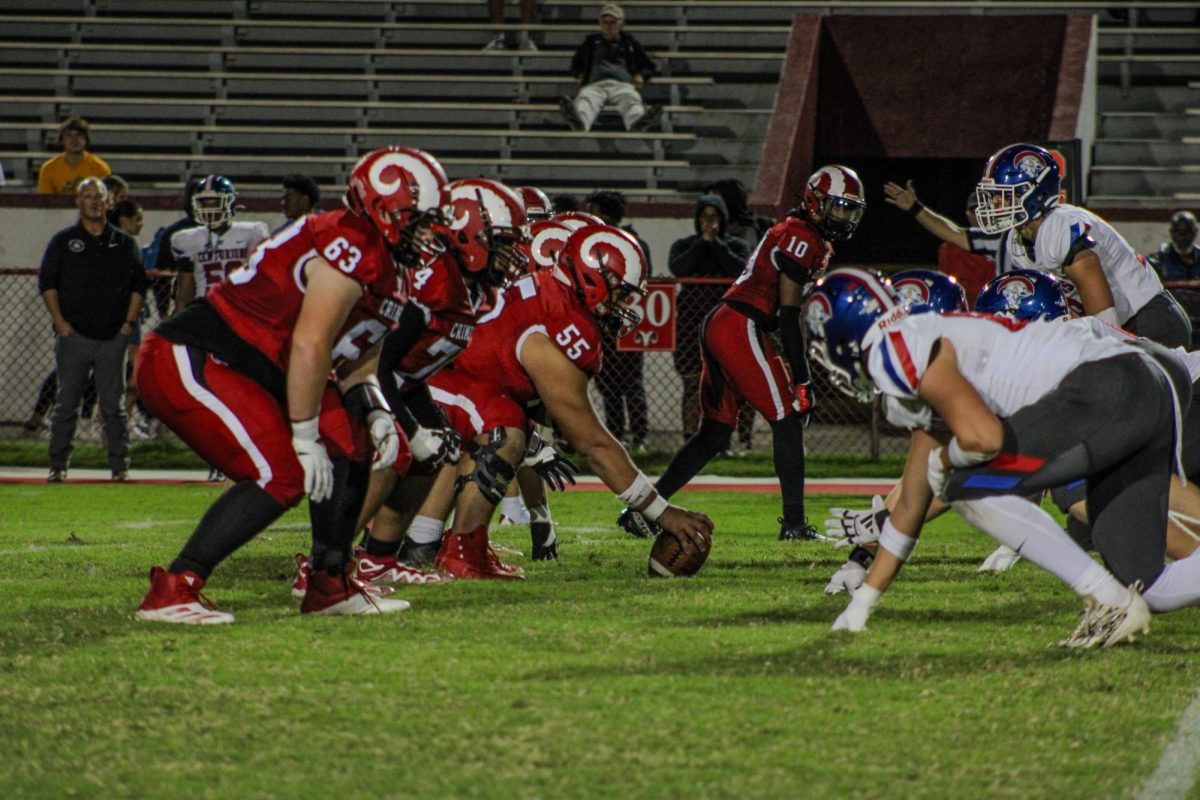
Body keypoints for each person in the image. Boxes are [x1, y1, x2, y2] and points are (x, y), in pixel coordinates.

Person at [132, 146, 449, 623]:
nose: (428, 231)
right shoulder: (350, 240)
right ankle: (174, 588)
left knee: (352, 438)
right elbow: (310, 344)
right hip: (200, 354)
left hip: (255, 365)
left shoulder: (389, 266)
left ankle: (329, 581)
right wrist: (303, 435)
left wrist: (380, 412)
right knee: (279, 473)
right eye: (418, 218)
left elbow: (358, 362)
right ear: (384, 210)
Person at [808, 268, 1200, 646]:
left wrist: (947, 461)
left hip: (1108, 385)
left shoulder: (893, 347)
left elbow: (984, 439)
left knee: (967, 486)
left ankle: (1105, 600)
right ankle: (1117, 599)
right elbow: (913, 501)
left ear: (844, 331)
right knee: (1151, 587)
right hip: (1145, 387)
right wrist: (863, 603)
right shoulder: (920, 351)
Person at [424, 223, 714, 579]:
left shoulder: (553, 296)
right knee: (504, 429)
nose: (624, 305)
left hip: (448, 382)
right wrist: (660, 511)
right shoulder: (559, 319)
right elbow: (591, 442)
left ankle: (446, 547)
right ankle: (447, 552)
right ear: (595, 279)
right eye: (620, 293)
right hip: (436, 387)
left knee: (509, 424)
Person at [624, 166, 866, 543]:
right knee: (786, 419)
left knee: (715, 433)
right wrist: (803, 380)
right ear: (815, 203)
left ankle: (641, 512)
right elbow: (788, 316)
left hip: (726, 322)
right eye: (836, 207)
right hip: (740, 325)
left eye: (848, 210)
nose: (842, 217)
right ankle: (794, 524)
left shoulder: (800, 232)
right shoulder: (801, 237)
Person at [886, 143, 1191, 348]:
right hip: (1125, 322)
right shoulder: (1020, 241)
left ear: (1035, 192)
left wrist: (1107, 347)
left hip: (1149, 321)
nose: (995, 203)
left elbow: (1091, 284)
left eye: (1004, 194)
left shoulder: (1059, 223)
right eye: (994, 195)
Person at [38, 178, 146, 482]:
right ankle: (58, 466)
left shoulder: (125, 243)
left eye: (99, 196)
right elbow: (47, 284)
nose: (94, 202)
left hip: (113, 337)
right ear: (78, 202)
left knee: (114, 406)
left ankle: (119, 467)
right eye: (87, 196)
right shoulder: (63, 242)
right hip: (74, 336)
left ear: (108, 202)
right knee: (67, 403)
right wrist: (60, 322)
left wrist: (128, 324)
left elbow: (139, 286)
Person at [667, 191, 752, 439]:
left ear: (723, 219)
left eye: (714, 217)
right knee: (693, 381)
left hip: (726, 321)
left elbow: (739, 270)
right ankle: (690, 435)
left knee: (732, 383)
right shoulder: (684, 245)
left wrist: (715, 242)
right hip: (691, 323)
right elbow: (678, 267)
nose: (709, 222)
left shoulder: (736, 245)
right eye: (704, 217)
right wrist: (703, 242)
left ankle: (735, 436)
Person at [586, 190, 650, 450]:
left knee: (629, 380)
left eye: (594, 209)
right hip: (605, 320)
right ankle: (620, 433)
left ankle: (638, 435)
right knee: (609, 381)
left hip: (623, 318)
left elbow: (642, 278)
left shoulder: (627, 241)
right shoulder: (625, 241)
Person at [171, 175, 270, 311]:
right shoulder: (188, 239)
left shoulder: (252, 233)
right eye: (204, 203)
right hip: (205, 311)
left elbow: (262, 282)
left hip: (241, 309)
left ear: (230, 202)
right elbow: (184, 292)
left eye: (215, 203)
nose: (210, 209)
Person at [560, 4, 660, 133]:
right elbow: (576, 64)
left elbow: (649, 66)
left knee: (631, 99)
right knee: (586, 99)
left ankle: (637, 123)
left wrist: (641, 75)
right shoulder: (590, 42)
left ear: (621, 23)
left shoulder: (629, 42)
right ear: (600, 23)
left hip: (622, 85)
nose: (608, 26)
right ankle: (580, 123)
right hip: (595, 85)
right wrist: (579, 75)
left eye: (613, 22)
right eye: (604, 22)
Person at [38, 117, 111, 195]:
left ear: (86, 139)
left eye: (78, 135)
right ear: (62, 140)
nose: (74, 139)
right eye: (69, 135)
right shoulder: (48, 169)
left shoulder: (100, 168)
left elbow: (104, 201)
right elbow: (45, 202)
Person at [1149, 210, 1200, 280]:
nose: (1182, 236)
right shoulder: (1157, 261)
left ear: (1195, 232)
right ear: (1171, 232)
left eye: (1187, 231)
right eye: (1178, 231)